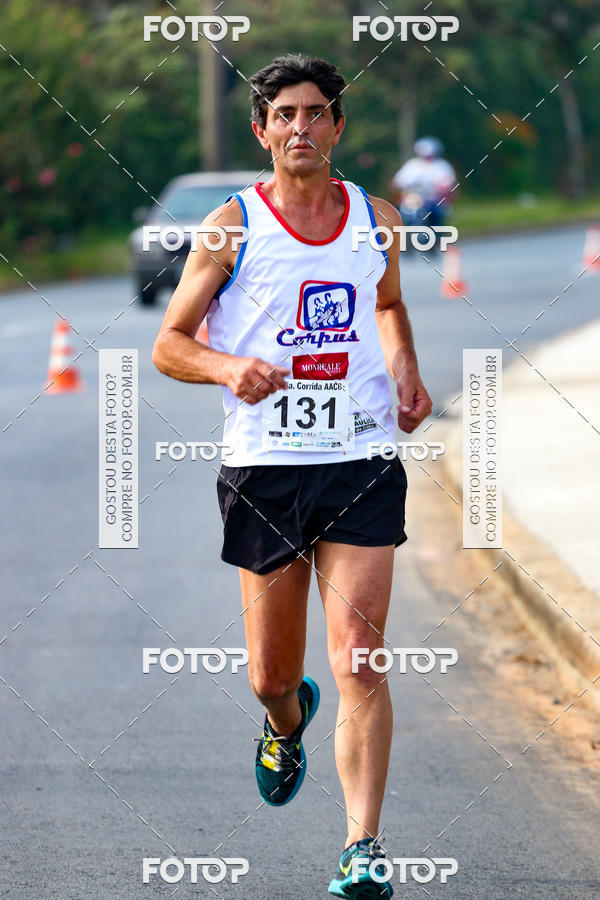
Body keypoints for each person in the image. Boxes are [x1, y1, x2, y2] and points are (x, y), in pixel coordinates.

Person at [152, 53, 432, 899]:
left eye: (315, 113)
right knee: (272, 677)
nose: (300, 127)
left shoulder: (377, 220)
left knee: (361, 659)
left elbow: (388, 304)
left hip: (360, 460)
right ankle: (285, 721)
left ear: (338, 127)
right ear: (262, 130)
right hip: (266, 469)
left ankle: (362, 847)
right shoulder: (231, 228)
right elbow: (169, 344)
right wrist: (228, 366)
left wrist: (406, 369)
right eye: (285, 115)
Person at [391, 136, 457, 229]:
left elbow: (448, 186)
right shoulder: (412, 165)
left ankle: (436, 234)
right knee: (406, 214)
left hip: (434, 200)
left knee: (436, 217)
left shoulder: (442, 166)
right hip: (413, 200)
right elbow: (397, 182)